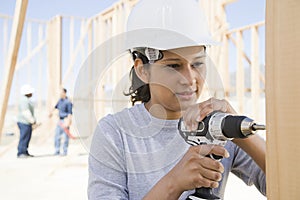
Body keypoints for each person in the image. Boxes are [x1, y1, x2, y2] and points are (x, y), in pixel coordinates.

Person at [88, 0, 266, 199]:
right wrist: (174, 183)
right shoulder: (115, 133)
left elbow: (291, 182)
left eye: (197, 63)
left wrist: (241, 132)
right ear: (142, 70)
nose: (190, 79)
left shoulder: (217, 127)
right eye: (174, 66)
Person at [49, 88, 73, 156]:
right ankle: (57, 151)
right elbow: (55, 107)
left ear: (65, 93)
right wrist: (51, 112)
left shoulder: (68, 102)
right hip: (60, 120)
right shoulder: (60, 101)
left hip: (65, 120)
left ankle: (64, 151)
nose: (60, 94)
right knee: (57, 136)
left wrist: (69, 121)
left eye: (61, 93)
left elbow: (70, 113)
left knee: (65, 137)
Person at [16, 84, 36, 158]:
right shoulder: (24, 100)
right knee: (24, 137)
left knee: (27, 137)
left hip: (26, 122)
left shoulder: (26, 100)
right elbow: (25, 112)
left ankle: (24, 151)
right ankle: (21, 152)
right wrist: (32, 120)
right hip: (24, 122)